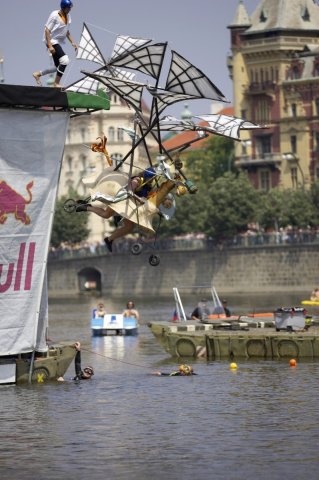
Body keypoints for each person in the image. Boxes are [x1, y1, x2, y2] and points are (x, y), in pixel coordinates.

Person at [75, 167, 158, 253]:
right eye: (151, 178)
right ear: (147, 176)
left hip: (129, 207)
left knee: (129, 227)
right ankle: (86, 207)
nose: (152, 180)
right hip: (121, 201)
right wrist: (139, 199)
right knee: (106, 215)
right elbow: (129, 192)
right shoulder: (136, 181)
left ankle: (109, 239)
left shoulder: (147, 186)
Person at [33, 0, 77, 88]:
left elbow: (66, 31)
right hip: (51, 40)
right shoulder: (54, 15)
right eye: (68, 8)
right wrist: (50, 46)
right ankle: (56, 83)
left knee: (58, 66)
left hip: (56, 41)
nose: (70, 10)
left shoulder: (68, 16)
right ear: (64, 8)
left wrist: (73, 42)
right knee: (65, 60)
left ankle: (38, 74)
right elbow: (47, 30)